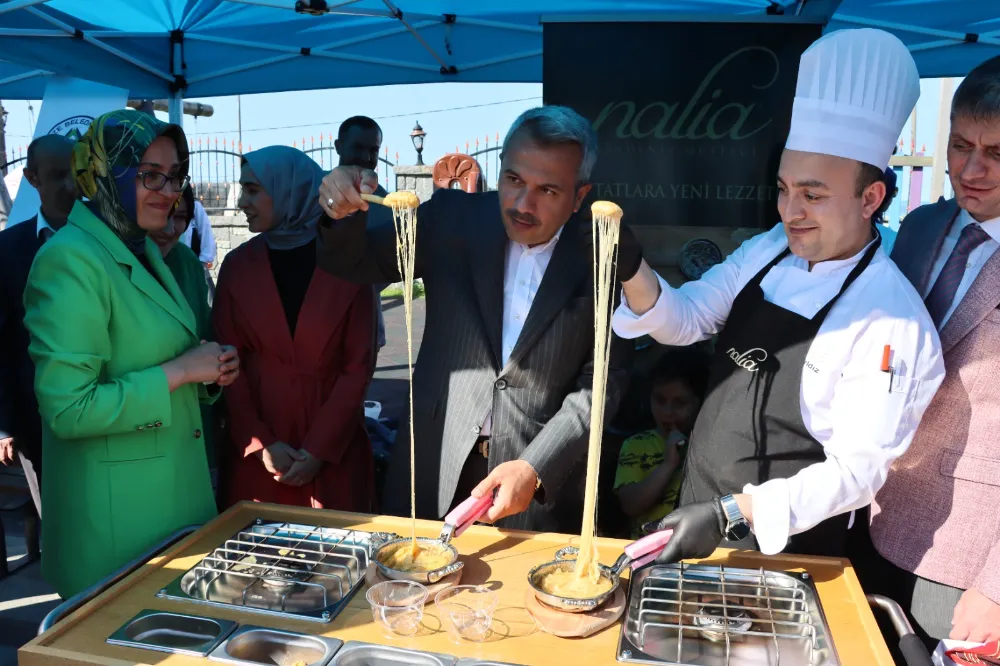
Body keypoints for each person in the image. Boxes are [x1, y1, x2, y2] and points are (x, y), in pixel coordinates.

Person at [612, 29, 945, 562]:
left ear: (871, 198)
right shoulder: (769, 250)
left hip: (788, 552)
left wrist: (733, 513)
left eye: (813, 195)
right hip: (696, 516)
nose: (791, 212)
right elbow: (687, 319)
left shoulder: (891, 320)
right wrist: (630, 267)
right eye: (785, 190)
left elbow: (856, 474)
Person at [317, 105, 632, 533]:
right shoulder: (452, 218)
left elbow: (601, 383)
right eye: (514, 180)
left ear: (580, 195)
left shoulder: (604, 251)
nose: (523, 204)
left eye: (549, 191)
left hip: (534, 486)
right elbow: (353, 260)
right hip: (432, 462)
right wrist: (341, 214)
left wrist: (535, 466)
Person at [22, 109, 240, 598]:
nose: (169, 190)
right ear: (105, 173)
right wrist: (181, 371)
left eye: (175, 177)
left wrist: (207, 371)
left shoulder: (145, 248)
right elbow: (68, 409)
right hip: (115, 533)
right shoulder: (70, 259)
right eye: (150, 175)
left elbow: (159, 356)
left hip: (168, 511)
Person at [855, 54, 1000, 647]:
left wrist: (996, 587)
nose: (971, 169)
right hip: (869, 514)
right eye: (961, 144)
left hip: (968, 557)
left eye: (998, 154)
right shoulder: (919, 225)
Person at [214, 145, 375, 511]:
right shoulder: (237, 267)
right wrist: (260, 444)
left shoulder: (347, 261)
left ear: (289, 190)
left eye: (253, 189)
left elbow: (359, 365)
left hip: (334, 450)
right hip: (259, 461)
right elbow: (226, 366)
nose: (242, 201)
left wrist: (319, 448)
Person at [0, 134, 76, 517]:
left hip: (109, 414)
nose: (70, 186)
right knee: (61, 530)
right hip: (38, 424)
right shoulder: (7, 251)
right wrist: (5, 425)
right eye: (57, 175)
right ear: (32, 178)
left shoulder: (111, 242)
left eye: (77, 174)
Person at [150, 184, 218, 483]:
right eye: (162, 213)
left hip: (193, 420)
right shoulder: (107, 265)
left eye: (180, 217)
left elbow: (204, 333)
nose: (169, 228)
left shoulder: (187, 262)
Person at [614, 347, 710, 538]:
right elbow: (630, 505)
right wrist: (668, 465)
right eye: (659, 400)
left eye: (680, 403)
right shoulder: (636, 445)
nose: (667, 411)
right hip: (647, 555)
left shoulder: (710, 444)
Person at [335, 115, 388, 358]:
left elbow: (390, 263)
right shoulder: (317, 190)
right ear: (338, 147)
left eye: (373, 150)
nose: (367, 157)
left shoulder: (384, 201)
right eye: (358, 148)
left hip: (365, 318)